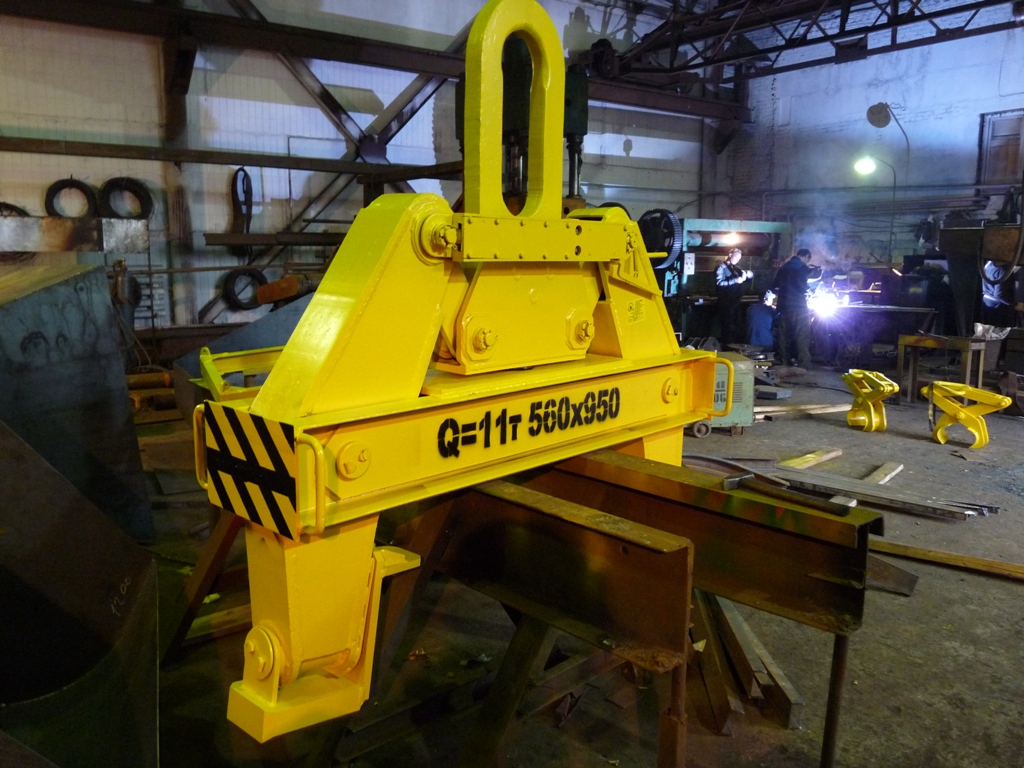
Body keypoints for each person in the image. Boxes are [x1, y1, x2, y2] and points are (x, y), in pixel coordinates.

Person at [773, 248, 821, 368]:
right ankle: (803, 364)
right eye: (808, 260)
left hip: (783, 307)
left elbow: (775, 285)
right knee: (802, 335)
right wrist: (809, 291)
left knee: (783, 336)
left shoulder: (784, 267)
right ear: (806, 257)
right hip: (798, 307)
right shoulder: (802, 267)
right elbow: (802, 286)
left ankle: (784, 361)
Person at [715, 247, 753, 346]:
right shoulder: (721, 268)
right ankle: (726, 346)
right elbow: (719, 283)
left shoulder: (736, 268)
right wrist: (734, 280)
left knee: (736, 325)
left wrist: (748, 275)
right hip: (725, 302)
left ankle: (733, 346)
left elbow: (746, 277)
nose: (737, 260)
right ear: (730, 255)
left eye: (739, 259)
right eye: (736, 257)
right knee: (727, 326)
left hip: (736, 301)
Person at [981, 260, 1023, 328]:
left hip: (987, 303)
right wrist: (1015, 304)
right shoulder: (1004, 270)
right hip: (999, 308)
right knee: (1001, 332)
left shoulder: (989, 263)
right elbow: (1000, 295)